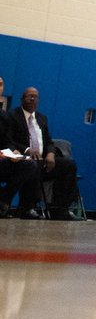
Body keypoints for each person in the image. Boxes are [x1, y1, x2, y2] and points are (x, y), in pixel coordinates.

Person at [7, 87, 79, 219]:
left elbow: (49, 142)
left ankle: (60, 209)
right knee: (33, 164)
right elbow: (9, 141)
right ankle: (28, 207)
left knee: (69, 165)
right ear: (22, 99)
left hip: (43, 160)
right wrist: (27, 150)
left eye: (35, 96)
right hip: (24, 160)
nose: (32, 99)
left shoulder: (42, 118)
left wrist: (50, 154)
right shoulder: (12, 116)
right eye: (29, 96)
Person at [0, 75, 37, 218]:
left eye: (1, 85)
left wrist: (14, 152)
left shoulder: (4, 116)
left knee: (29, 165)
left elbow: (7, 141)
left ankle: (3, 200)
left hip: (3, 160)